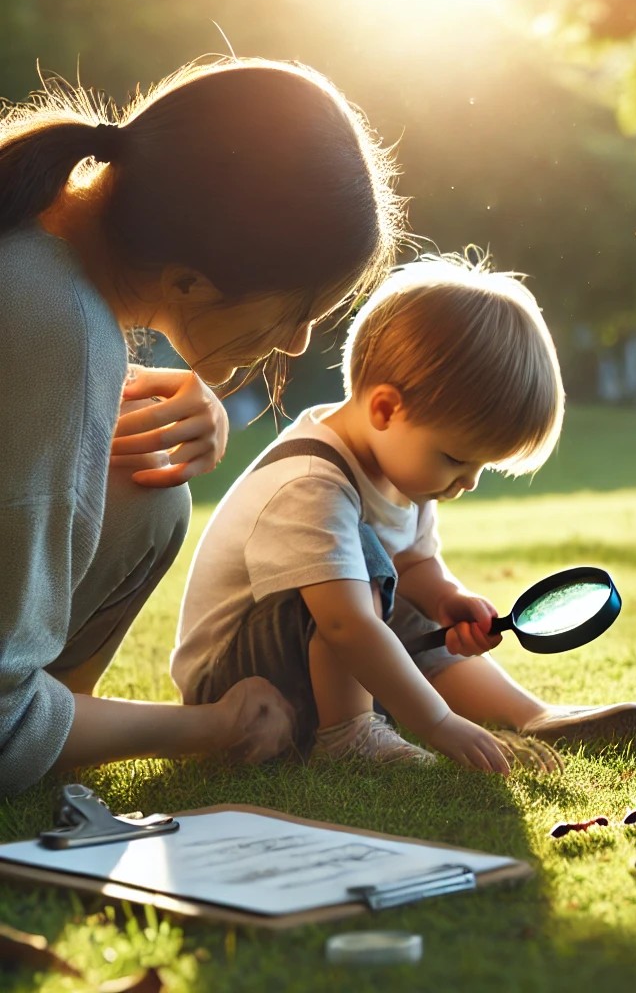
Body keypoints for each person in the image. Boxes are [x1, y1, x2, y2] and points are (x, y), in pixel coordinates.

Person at [0, 56, 403, 798]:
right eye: (296, 312)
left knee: (150, 488)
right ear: (188, 281)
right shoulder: (57, 329)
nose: (296, 345)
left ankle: (64, 728)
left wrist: (138, 392)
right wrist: (215, 726)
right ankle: (59, 735)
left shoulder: (34, 257)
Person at [171, 256, 636, 774]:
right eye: (455, 459)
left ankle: (529, 715)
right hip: (239, 685)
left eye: (481, 467)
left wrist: (446, 598)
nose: (468, 482)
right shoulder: (311, 483)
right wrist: (438, 723)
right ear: (385, 409)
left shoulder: (406, 476)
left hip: (316, 661)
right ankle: (349, 735)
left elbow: (413, 562)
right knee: (358, 569)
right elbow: (343, 623)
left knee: (403, 600)